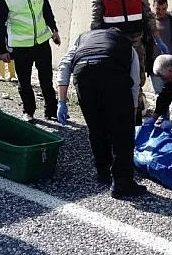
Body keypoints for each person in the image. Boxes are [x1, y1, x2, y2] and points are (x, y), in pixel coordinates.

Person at [56, 28, 148, 199]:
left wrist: (62, 100)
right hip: (112, 71)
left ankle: (103, 171)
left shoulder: (83, 38)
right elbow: (134, 83)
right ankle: (122, 182)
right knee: (122, 132)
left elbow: (64, 64)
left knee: (96, 125)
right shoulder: (127, 46)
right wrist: (131, 112)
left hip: (83, 73)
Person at [91, 0, 170, 124]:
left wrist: (158, 38)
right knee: (114, 79)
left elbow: (147, 12)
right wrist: (96, 44)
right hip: (113, 42)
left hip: (136, 40)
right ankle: (114, 113)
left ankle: (137, 115)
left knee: (138, 80)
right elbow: (96, 18)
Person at [0, 0, 61, 123]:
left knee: (47, 78)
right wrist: (1, 50)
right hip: (21, 46)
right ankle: (28, 111)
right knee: (25, 81)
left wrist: (54, 29)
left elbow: (46, 9)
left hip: (42, 41)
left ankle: (51, 110)